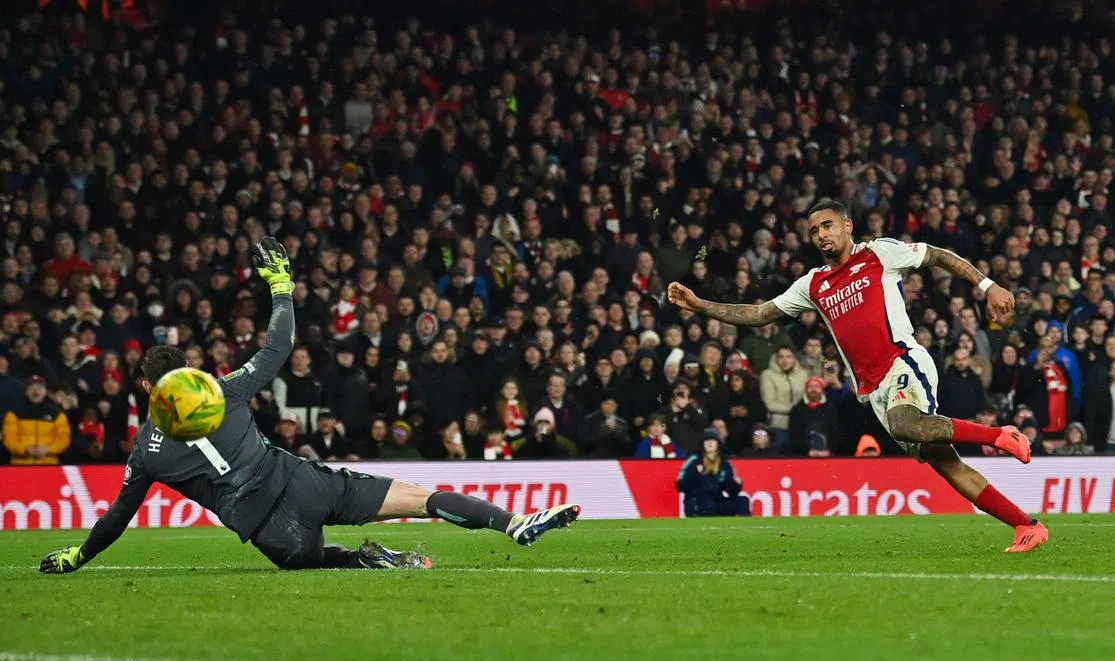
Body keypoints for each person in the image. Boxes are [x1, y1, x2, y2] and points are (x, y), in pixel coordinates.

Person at [40, 238, 580, 575]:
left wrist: (76, 557)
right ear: (188, 372)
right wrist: (280, 286)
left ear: (144, 385)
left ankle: (363, 560)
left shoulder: (144, 451)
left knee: (314, 559)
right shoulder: (224, 388)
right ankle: (512, 524)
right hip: (302, 483)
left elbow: (116, 518)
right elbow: (278, 347)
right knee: (420, 498)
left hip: (274, 535)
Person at [668, 200, 1048, 552]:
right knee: (947, 465)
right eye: (815, 231)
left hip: (903, 361)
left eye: (828, 226)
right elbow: (759, 313)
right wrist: (698, 305)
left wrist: (988, 286)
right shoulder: (813, 284)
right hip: (874, 389)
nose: (822, 235)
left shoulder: (878, 253)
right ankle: (1025, 525)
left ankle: (999, 435)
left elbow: (937, 255)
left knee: (905, 423)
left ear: (848, 226)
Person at [675, 427, 750, 517]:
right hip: (697, 504)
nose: (710, 443)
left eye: (713, 440)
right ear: (702, 444)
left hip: (717, 503)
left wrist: (737, 484)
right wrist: (695, 473)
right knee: (706, 499)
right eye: (707, 440)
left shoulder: (724, 463)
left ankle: (742, 529)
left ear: (718, 444)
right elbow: (680, 485)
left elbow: (731, 492)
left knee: (743, 501)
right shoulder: (694, 460)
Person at [3, 375, 71, 465]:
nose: (36, 390)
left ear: (45, 392)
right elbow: (9, 439)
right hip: (20, 464)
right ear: (26, 392)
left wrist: (48, 449)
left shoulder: (57, 415)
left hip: (49, 464)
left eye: (39, 387)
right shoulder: (13, 414)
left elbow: (63, 439)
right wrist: (25, 449)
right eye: (31, 387)